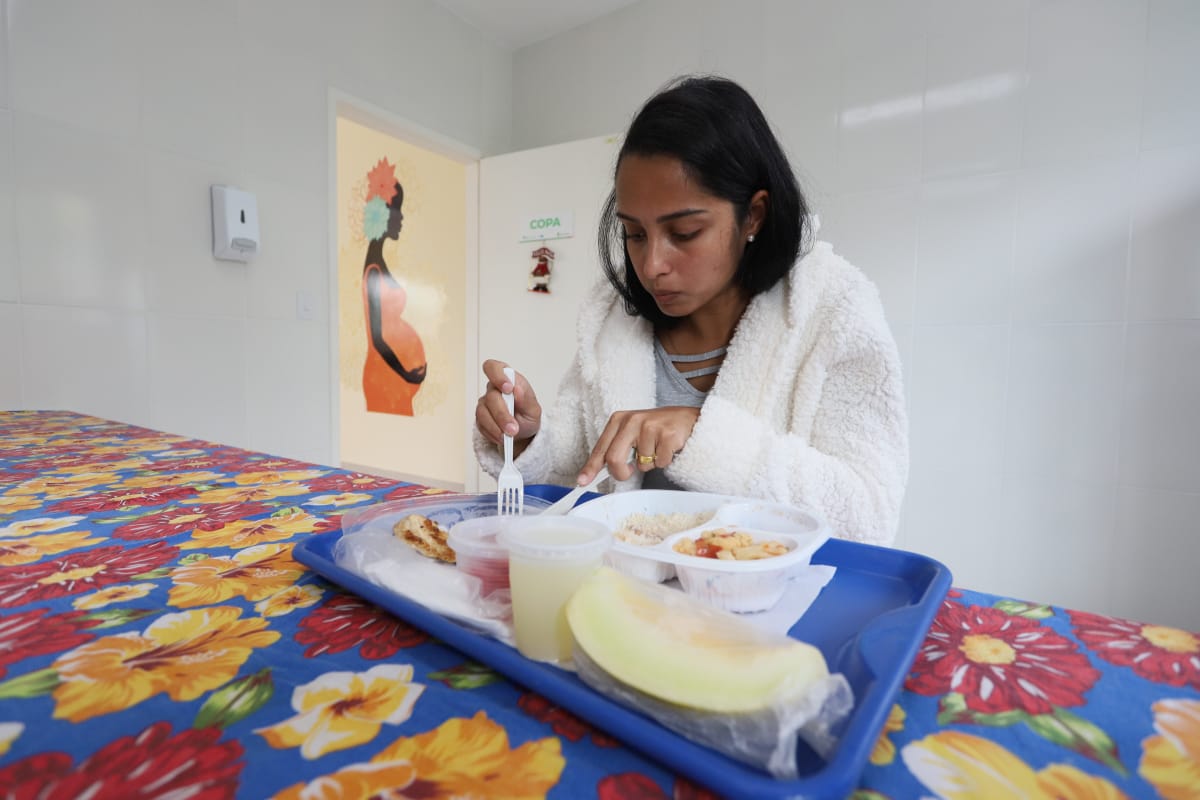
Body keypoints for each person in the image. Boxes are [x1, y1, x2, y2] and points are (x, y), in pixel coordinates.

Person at [474, 76, 908, 545]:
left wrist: (702, 435)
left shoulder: (830, 307)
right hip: (628, 582)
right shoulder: (614, 315)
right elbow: (580, 460)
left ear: (754, 215)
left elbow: (868, 515)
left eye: (684, 233)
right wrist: (527, 437)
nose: (651, 266)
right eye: (635, 234)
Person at [361, 158, 427, 416]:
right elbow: (377, 338)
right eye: (398, 210)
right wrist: (407, 373)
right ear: (384, 215)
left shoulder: (378, 264)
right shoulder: (373, 271)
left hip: (394, 377)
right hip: (386, 377)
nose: (401, 218)